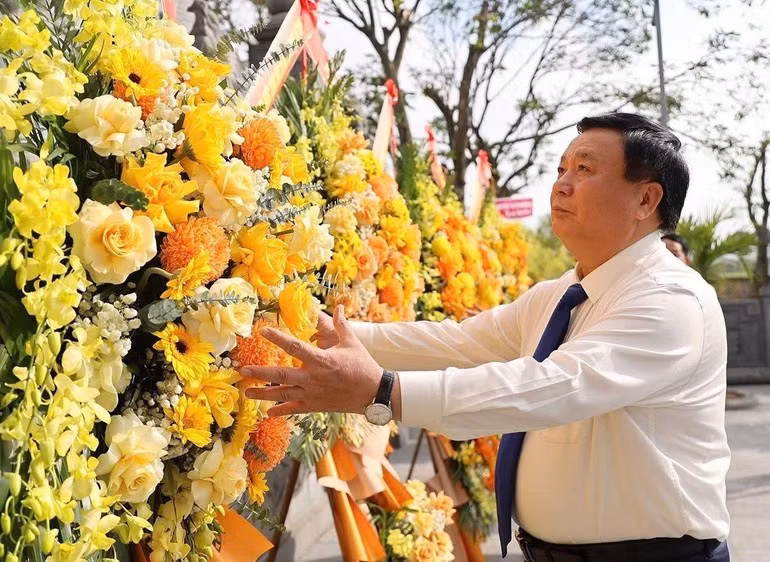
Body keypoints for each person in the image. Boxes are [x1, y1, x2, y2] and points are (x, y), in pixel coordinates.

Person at [244, 113, 731, 562]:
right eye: (562, 168)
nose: (561, 185)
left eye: (585, 169)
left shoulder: (671, 300)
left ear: (646, 200)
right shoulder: (561, 292)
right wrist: (324, 333)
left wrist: (383, 393)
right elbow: (457, 342)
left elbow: (547, 387)